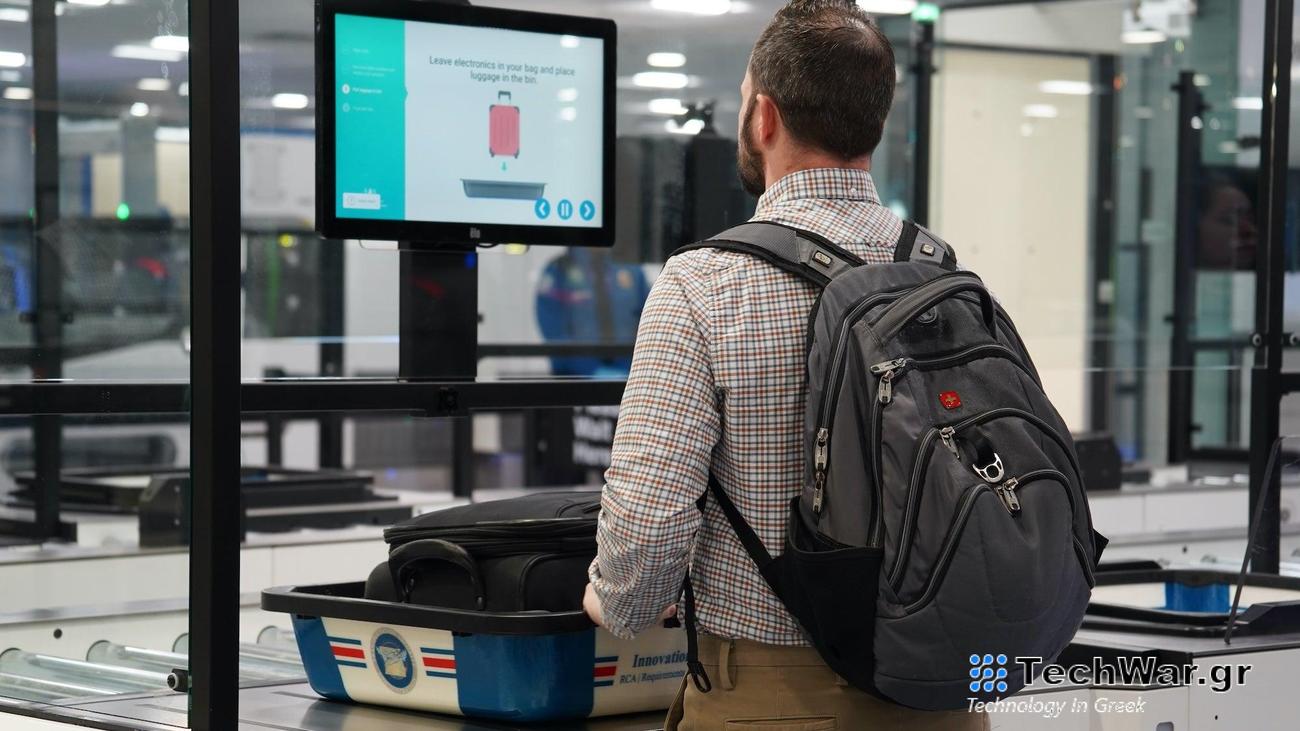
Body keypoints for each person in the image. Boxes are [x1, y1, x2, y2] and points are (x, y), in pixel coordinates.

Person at [582, 1, 988, 728]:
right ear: (874, 121)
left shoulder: (702, 283)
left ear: (763, 117)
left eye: (742, 99)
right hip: (943, 698)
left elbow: (647, 534)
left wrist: (613, 600)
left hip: (775, 699)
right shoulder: (942, 272)